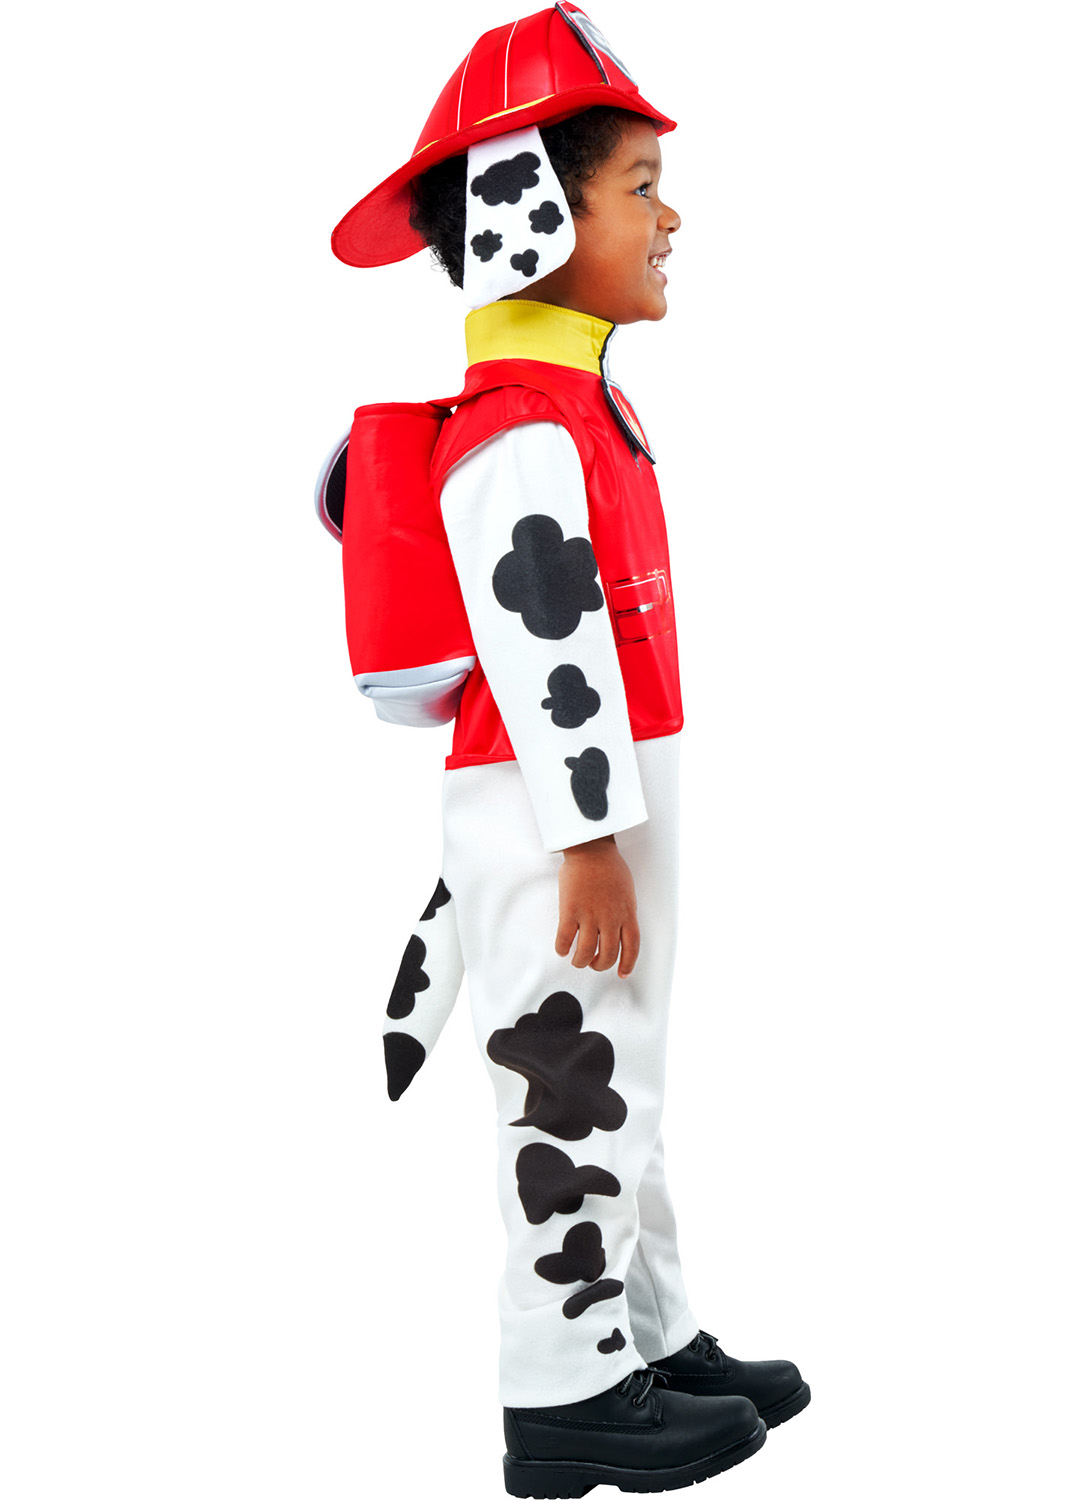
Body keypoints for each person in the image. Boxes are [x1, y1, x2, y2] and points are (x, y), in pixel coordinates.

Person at [325, 7, 810, 1494]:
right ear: (531, 214)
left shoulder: (581, 409)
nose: (672, 219)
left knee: (622, 1076)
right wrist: (587, 840)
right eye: (641, 187)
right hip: (562, 812)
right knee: (570, 1085)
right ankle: (563, 1392)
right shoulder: (521, 432)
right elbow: (548, 655)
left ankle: (646, 1336)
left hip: (599, 798)